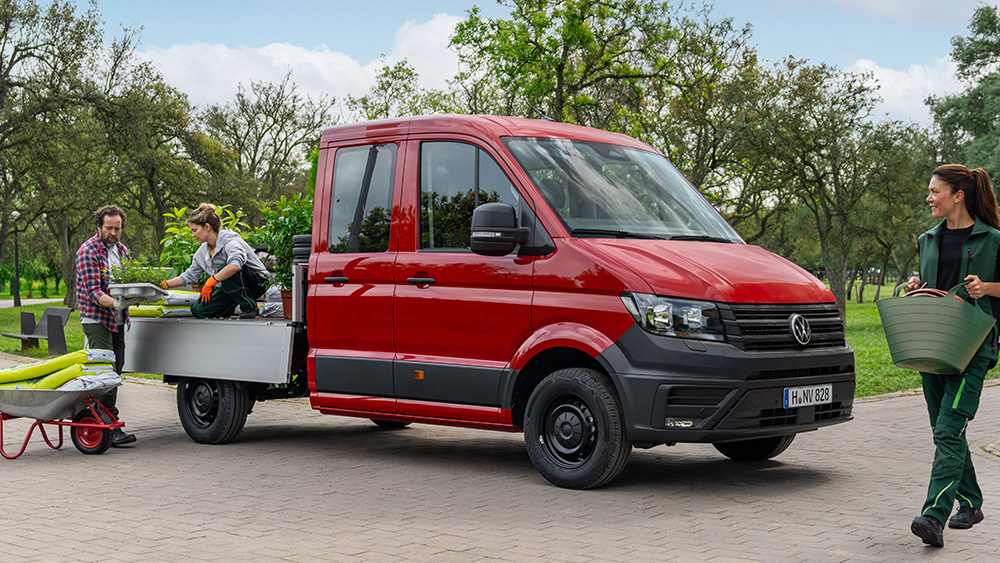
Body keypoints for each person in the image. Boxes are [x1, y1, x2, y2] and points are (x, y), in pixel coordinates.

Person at [905, 164, 1000, 547]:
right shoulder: (927, 239)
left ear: (958, 195)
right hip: (933, 345)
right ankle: (972, 502)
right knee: (945, 431)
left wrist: (988, 287)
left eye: (934, 191)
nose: (929, 198)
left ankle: (933, 516)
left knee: (948, 429)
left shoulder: (993, 239)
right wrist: (916, 285)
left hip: (974, 347)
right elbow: (935, 285)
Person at [76, 204, 135, 446]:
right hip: (97, 319)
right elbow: (93, 292)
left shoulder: (121, 251)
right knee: (104, 371)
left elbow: (128, 283)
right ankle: (105, 424)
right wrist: (119, 302)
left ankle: (106, 422)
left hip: (118, 319)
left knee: (116, 370)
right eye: (109, 228)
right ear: (98, 226)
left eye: (117, 228)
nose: (113, 232)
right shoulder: (88, 251)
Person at [160, 203, 269, 319]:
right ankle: (228, 307)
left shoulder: (230, 241)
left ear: (207, 227)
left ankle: (249, 307)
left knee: (225, 269)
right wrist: (165, 284)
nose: (192, 235)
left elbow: (235, 266)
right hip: (231, 286)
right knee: (199, 310)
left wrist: (211, 281)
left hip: (256, 281)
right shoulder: (203, 251)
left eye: (194, 230)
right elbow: (189, 276)